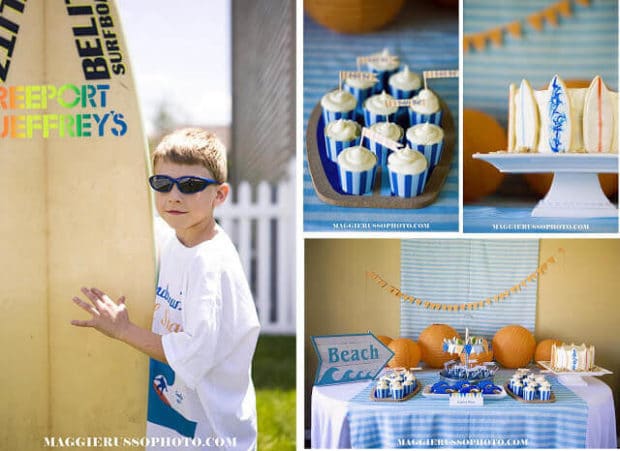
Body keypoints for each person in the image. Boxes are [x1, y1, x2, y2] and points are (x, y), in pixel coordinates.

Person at [71, 128, 261, 450]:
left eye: (190, 186)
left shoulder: (210, 264)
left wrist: (123, 329)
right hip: (175, 420)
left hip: (211, 434)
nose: (174, 196)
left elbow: (192, 355)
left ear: (220, 195)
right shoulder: (174, 236)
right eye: (162, 184)